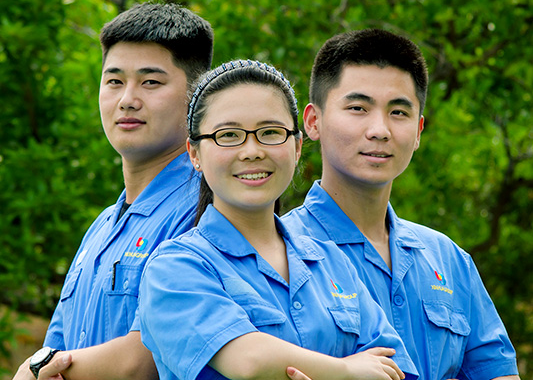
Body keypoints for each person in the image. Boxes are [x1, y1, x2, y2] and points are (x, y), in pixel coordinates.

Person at [138, 59, 419, 380]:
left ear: (297, 146)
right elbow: (249, 361)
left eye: (270, 132)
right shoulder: (173, 269)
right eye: (229, 135)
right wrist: (347, 369)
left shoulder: (332, 262)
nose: (252, 151)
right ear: (194, 154)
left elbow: (394, 368)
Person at [282, 29, 520, 380]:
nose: (380, 130)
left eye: (398, 112)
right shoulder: (277, 252)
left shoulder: (449, 260)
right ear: (313, 122)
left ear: (419, 130)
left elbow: (497, 372)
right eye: (358, 108)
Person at [12, 2, 214, 380]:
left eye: (150, 82)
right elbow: (57, 345)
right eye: (115, 81)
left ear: (196, 98)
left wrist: (36, 370)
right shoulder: (102, 227)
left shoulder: (208, 209)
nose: (127, 100)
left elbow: (147, 357)